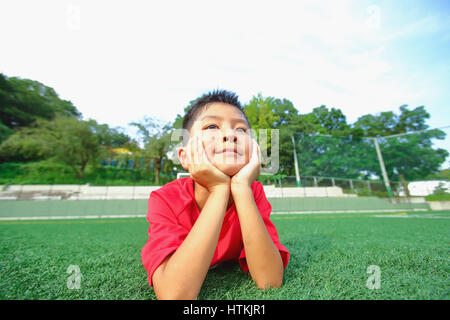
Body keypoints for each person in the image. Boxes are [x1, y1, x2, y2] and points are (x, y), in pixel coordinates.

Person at [141, 89, 289, 300]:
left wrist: (241, 189)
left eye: (241, 130)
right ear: (184, 155)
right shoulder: (166, 198)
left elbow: (270, 281)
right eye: (212, 126)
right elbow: (175, 295)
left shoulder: (252, 191)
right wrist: (219, 189)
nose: (230, 135)